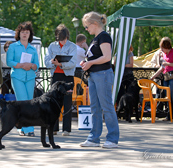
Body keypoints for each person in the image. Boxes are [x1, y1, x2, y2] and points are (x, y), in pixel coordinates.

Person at [79, 11, 119, 148]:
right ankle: (94, 138)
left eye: (87, 26)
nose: (86, 29)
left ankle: (112, 139)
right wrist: (86, 62)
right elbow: (95, 57)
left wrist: (90, 63)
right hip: (94, 75)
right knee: (95, 108)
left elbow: (107, 57)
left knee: (106, 106)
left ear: (95, 24)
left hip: (103, 74)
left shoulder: (104, 36)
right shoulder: (96, 37)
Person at [6, 21, 39, 137]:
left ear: (30, 34)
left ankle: (22, 126)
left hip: (30, 77)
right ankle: (28, 129)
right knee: (22, 100)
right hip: (17, 77)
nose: (25, 34)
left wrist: (31, 66)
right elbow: (9, 61)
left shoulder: (33, 49)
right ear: (18, 34)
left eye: (27, 32)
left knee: (29, 102)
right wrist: (21, 65)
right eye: (22, 32)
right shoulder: (13, 47)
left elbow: (37, 65)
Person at [44, 24, 76, 136]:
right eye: (59, 38)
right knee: (54, 103)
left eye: (63, 38)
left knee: (67, 102)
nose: (61, 41)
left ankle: (66, 129)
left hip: (67, 77)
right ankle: (54, 128)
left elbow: (73, 63)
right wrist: (53, 62)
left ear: (67, 36)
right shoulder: (52, 46)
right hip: (55, 76)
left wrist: (61, 64)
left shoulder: (72, 46)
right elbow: (46, 61)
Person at [151, 37, 173, 121]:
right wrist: (153, 77)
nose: (161, 49)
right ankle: (170, 116)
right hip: (166, 77)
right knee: (167, 97)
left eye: (162, 47)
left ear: (166, 46)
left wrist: (168, 63)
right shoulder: (164, 55)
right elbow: (162, 68)